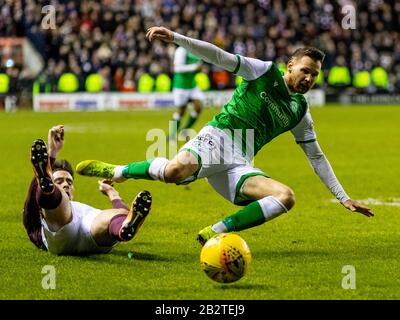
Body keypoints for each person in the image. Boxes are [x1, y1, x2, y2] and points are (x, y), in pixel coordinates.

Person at [76, 26, 373, 247]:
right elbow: (220, 56)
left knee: (285, 196)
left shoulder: (300, 111)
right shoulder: (264, 72)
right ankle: (118, 171)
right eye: (306, 71)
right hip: (217, 139)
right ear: (290, 65)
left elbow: (316, 156)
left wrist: (344, 198)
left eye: (315, 75)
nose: (309, 79)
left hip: (240, 163)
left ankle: (215, 232)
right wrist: (177, 38)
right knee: (174, 172)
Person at [23, 125, 152, 255]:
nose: (66, 184)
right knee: (57, 200)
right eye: (59, 181)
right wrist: (52, 153)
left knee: (117, 214)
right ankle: (48, 189)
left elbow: (125, 212)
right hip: (59, 233)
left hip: (89, 230)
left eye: (69, 181)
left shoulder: (84, 209)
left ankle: (123, 229)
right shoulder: (41, 218)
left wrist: (111, 193)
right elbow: (31, 204)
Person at [168, 44, 205, 142]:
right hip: (181, 86)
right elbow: (177, 69)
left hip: (192, 85)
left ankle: (185, 130)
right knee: (181, 112)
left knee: (198, 107)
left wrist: (199, 69)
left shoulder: (196, 50)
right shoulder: (181, 50)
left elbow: (199, 64)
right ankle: (172, 135)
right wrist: (194, 67)